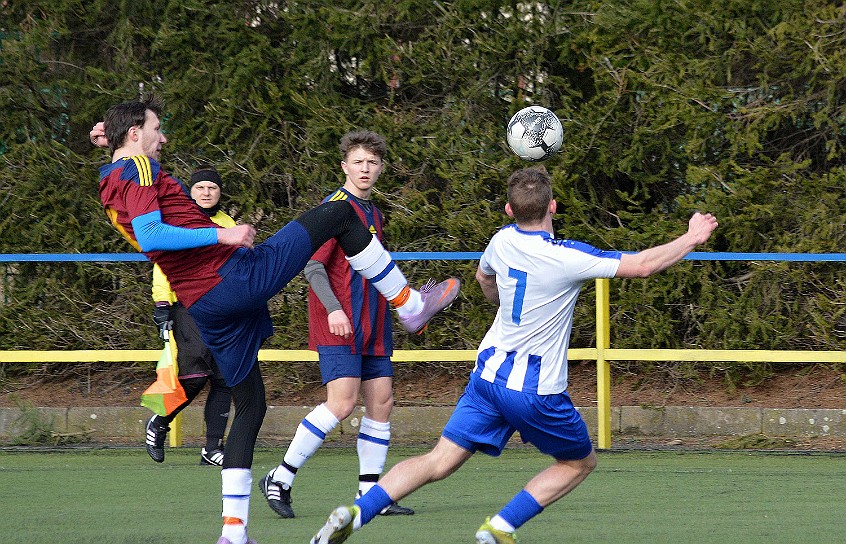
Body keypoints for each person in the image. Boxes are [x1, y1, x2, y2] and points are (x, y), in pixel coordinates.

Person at [90, 97, 460, 544]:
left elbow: (133, 192)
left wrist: (112, 143)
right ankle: (408, 303)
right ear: (134, 133)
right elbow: (152, 231)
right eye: (156, 129)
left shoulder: (112, 176)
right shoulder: (139, 169)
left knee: (251, 406)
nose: (162, 137)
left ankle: (234, 532)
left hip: (205, 303)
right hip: (231, 277)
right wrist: (223, 232)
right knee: (342, 212)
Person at [309, 166, 718, 544]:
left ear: (508, 209)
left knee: (439, 460)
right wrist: (692, 237)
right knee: (579, 462)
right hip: (536, 389)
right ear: (553, 206)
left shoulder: (501, 240)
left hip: (487, 378)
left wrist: (500, 299)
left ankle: (356, 511)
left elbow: (484, 279)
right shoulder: (568, 256)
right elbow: (643, 265)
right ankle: (501, 526)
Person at [259, 131, 413, 519]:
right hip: (339, 321)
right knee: (342, 404)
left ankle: (371, 495)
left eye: (372, 163)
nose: (365, 169)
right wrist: (333, 309)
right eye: (358, 162)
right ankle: (280, 476)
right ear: (344, 166)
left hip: (373, 322)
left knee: (382, 403)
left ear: (380, 169)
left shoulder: (374, 213)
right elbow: (312, 265)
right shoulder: (334, 208)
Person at [145, 165, 234, 467]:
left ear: (220, 192)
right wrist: (161, 304)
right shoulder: (179, 221)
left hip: (222, 308)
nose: (206, 193)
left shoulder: (227, 223)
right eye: (200, 188)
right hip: (187, 305)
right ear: (190, 192)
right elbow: (163, 263)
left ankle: (212, 448)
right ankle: (159, 421)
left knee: (225, 378)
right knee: (194, 376)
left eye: (212, 188)